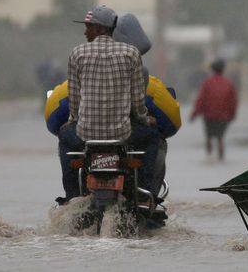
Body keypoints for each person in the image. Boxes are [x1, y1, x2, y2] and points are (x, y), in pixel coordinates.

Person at [45, 13, 181, 199]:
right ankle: (145, 195)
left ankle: (72, 197)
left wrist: (73, 121)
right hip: (123, 133)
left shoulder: (78, 56)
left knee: (66, 139)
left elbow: (59, 113)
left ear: (100, 29)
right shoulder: (135, 63)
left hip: (85, 133)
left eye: (89, 27)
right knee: (153, 140)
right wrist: (143, 118)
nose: (86, 32)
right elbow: (162, 118)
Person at [189, 59, 238, 161]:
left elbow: (201, 100)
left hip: (209, 117)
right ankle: (221, 159)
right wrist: (232, 115)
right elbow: (233, 101)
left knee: (209, 137)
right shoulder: (229, 83)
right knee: (220, 138)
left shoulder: (207, 83)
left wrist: (194, 114)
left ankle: (209, 158)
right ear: (223, 69)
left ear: (212, 70)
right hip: (223, 117)